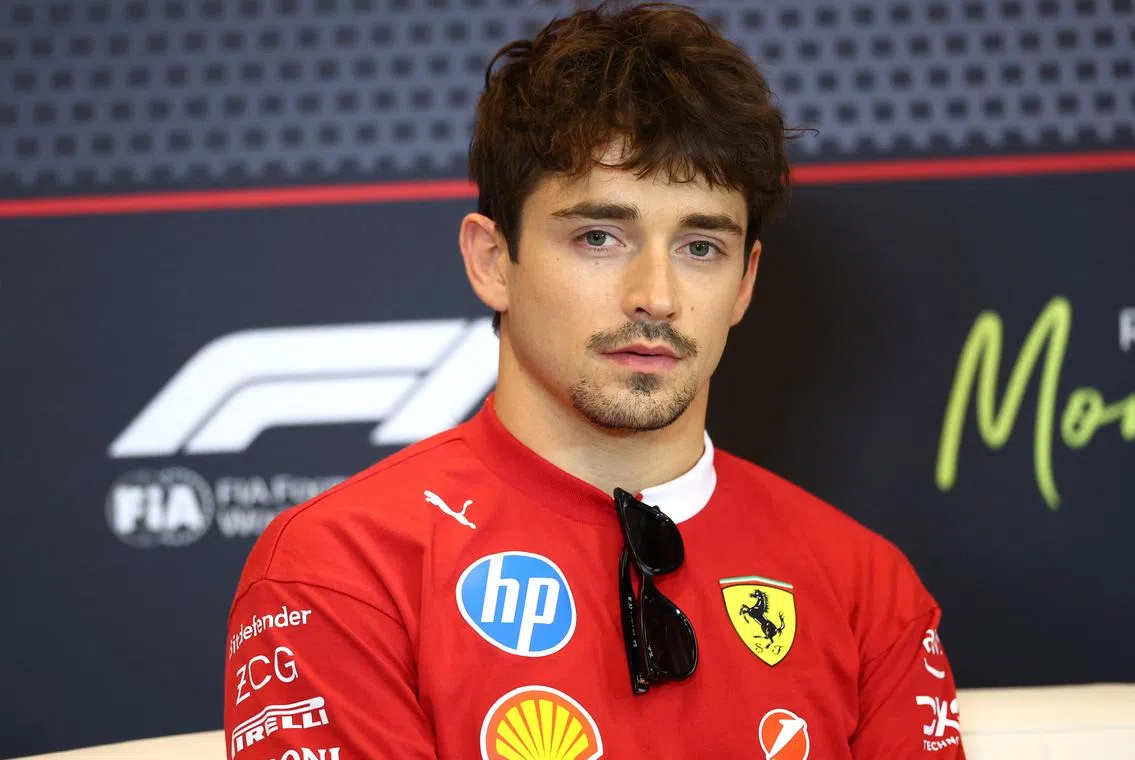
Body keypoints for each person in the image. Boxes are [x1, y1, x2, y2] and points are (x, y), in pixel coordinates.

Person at [223, 3, 966, 758]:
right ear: (491, 261)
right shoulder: (343, 570)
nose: (656, 294)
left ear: (745, 284)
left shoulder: (867, 588)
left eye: (701, 246)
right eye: (600, 236)